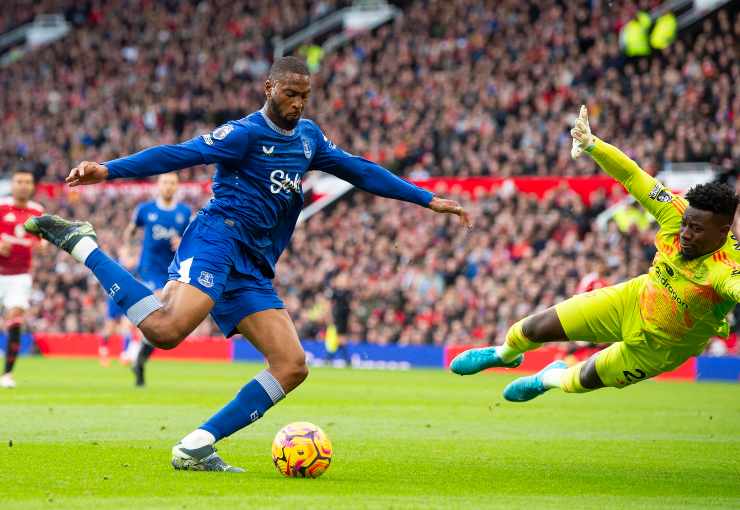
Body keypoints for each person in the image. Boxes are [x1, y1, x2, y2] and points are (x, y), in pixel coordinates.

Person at [25, 56, 470, 471]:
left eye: (304, 96)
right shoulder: (244, 133)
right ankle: (83, 244)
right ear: (269, 87)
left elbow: (360, 170)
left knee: (292, 365)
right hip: (219, 237)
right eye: (290, 93)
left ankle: (197, 445)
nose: (297, 103)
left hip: (254, 264)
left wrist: (426, 198)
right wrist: (108, 170)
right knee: (166, 331)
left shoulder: (309, 138)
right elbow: (180, 153)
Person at [451, 105, 740, 402]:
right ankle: (504, 354)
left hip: (660, 348)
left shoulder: (726, 269)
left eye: (696, 229)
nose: (685, 233)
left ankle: (548, 378)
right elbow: (632, 175)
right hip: (631, 301)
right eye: (685, 224)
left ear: (723, 230)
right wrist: (592, 144)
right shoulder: (673, 211)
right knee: (535, 327)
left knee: (579, 381)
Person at [126, 173, 191, 386]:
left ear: (177, 186)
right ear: (158, 185)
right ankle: (137, 352)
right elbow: (131, 231)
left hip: (173, 269)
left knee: (165, 319)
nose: (168, 186)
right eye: (165, 182)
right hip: (149, 269)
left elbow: (191, 240)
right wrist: (127, 252)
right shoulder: (146, 210)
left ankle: (140, 358)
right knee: (158, 306)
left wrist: (182, 241)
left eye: (172, 183)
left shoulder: (184, 212)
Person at [0, 169, 44, 388]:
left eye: (28, 182)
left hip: (20, 276)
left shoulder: (37, 211)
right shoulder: (1, 206)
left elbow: (42, 241)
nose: (24, 185)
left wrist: (42, 244)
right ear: (12, 184)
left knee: (15, 320)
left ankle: (6, 374)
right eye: (20, 181)